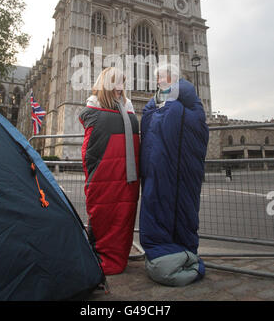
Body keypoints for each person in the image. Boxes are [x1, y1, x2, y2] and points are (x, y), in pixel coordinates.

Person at [139, 63, 209, 286]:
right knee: (157, 208)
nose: (157, 81)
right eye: (157, 78)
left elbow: (195, 126)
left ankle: (183, 253)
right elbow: (150, 126)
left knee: (183, 209)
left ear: (172, 78)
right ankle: (170, 255)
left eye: (160, 77)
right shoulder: (156, 103)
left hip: (180, 171)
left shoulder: (185, 101)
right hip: (158, 170)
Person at [79, 67, 140, 275]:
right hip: (105, 176)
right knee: (103, 215)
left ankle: (117, 258)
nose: (120, 87)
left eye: (122, 82)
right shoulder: (94, 108)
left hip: (127, 178)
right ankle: (102, 257)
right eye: (116, 82)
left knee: (123, 218)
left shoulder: (127, 107)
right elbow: (90, 150)